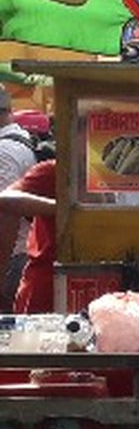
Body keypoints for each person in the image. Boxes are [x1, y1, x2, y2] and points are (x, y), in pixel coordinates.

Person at [0, 159, 56, 312]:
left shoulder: (124, 179)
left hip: (112, 281)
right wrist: (60, 208)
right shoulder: (57, 170)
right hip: (47, 285)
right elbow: (6, 199)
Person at [0, 88, 37, 311]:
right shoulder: (22, 139)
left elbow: (6, 214)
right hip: (19, 253)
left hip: (11, 257)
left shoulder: (4, 152)